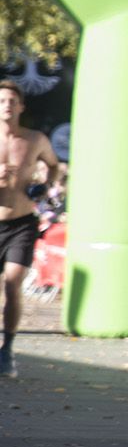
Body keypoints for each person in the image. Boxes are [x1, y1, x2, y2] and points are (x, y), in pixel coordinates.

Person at [0, 80, 63, 378]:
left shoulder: (34, 139)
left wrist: (44, 185)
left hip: (22, 222)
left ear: (21, 106)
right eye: (2, 101)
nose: (7, 106)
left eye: (12, 101)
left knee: (13, 283)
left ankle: (7, 350)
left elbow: (54, 165)